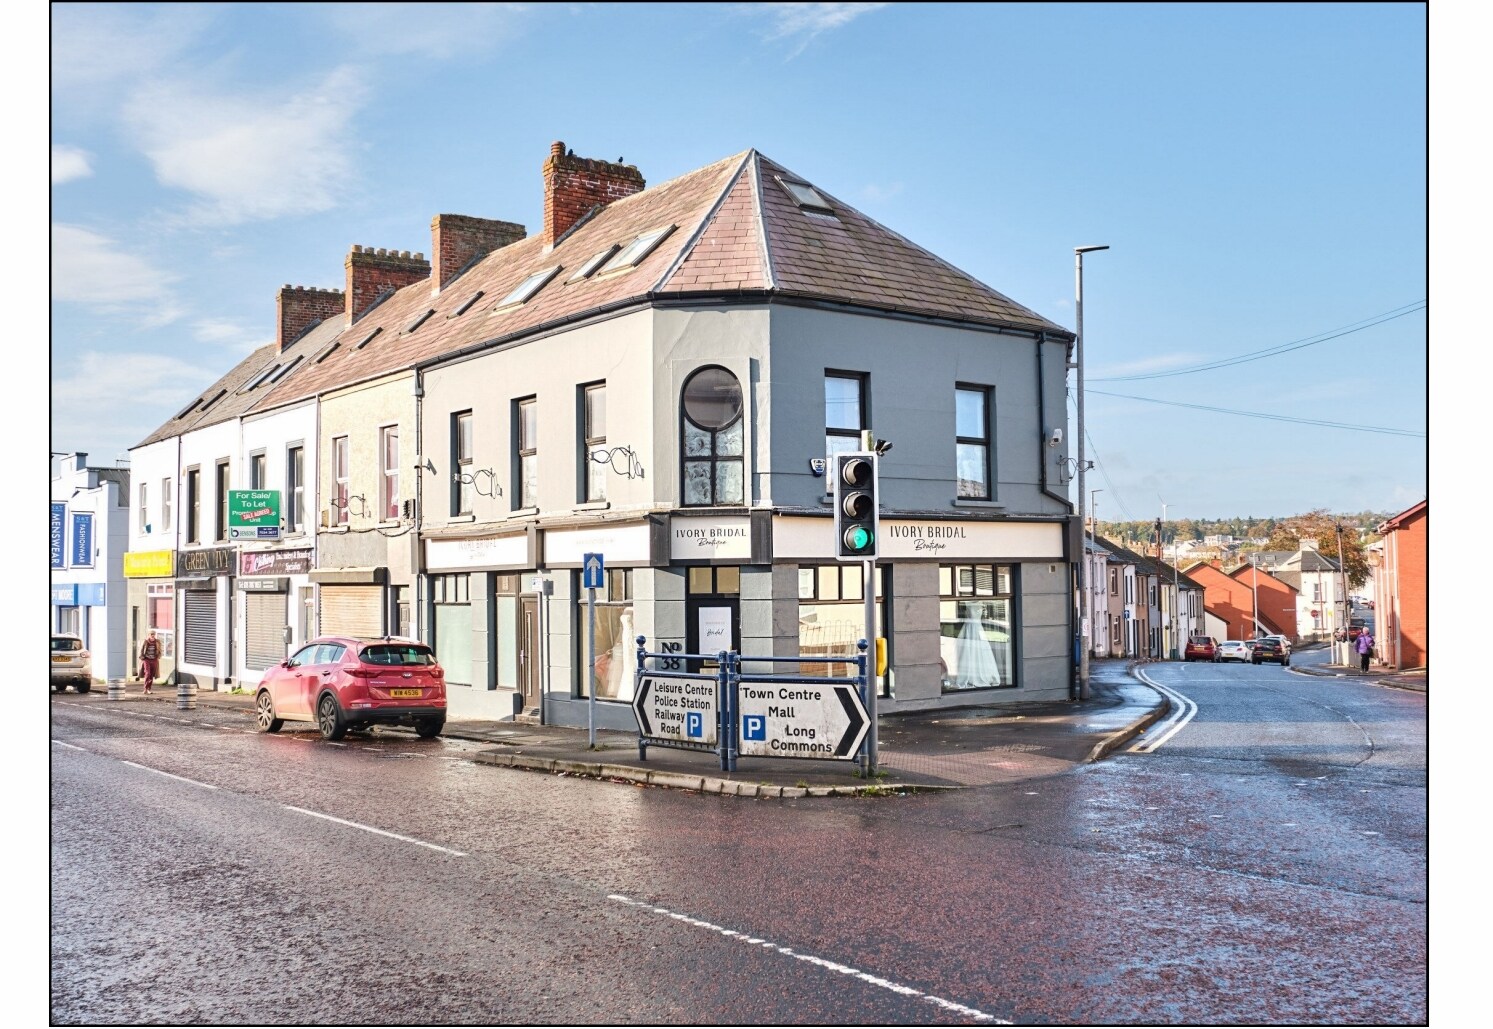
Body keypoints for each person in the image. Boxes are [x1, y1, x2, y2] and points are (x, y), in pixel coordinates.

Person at [139, 630, 161, 694]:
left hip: (154, 660)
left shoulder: (157, 642)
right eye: (151, 634)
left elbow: (159, 650)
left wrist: (158, 656)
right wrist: (142, 657)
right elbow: (141, 649)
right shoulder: (145, 642)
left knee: (151, 675)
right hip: (147, 659)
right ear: (149, 635)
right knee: (147, 673)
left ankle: (149, 689)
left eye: (153, 634)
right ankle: (145, 688)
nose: (152, 635)